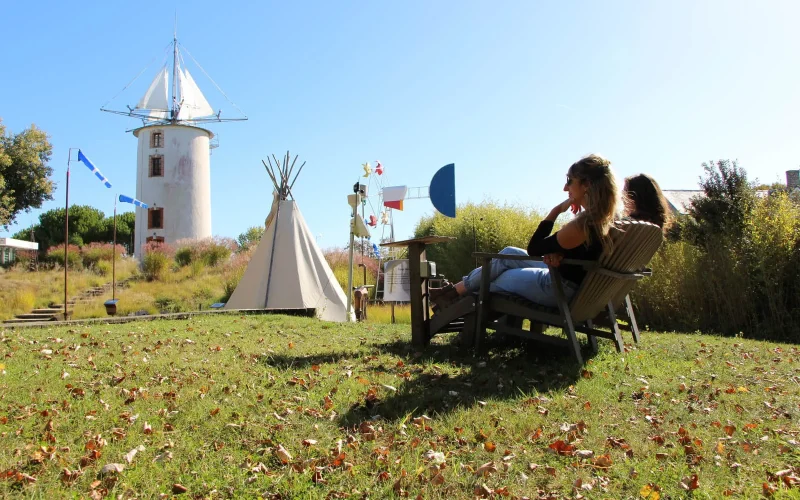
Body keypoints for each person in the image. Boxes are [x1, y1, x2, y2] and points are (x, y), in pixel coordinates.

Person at [430, 154, 619, 309]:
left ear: (586, 185)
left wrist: (555, 211)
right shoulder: (607, 220)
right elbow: (577, 251)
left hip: (558, 289)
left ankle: (453, 302)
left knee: (500, 276)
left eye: (570, 181)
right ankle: (453, 292)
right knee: (509, 254)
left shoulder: (583, 225)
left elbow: (534, 248)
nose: (565, 187)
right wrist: (558, 252)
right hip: (575, 284)